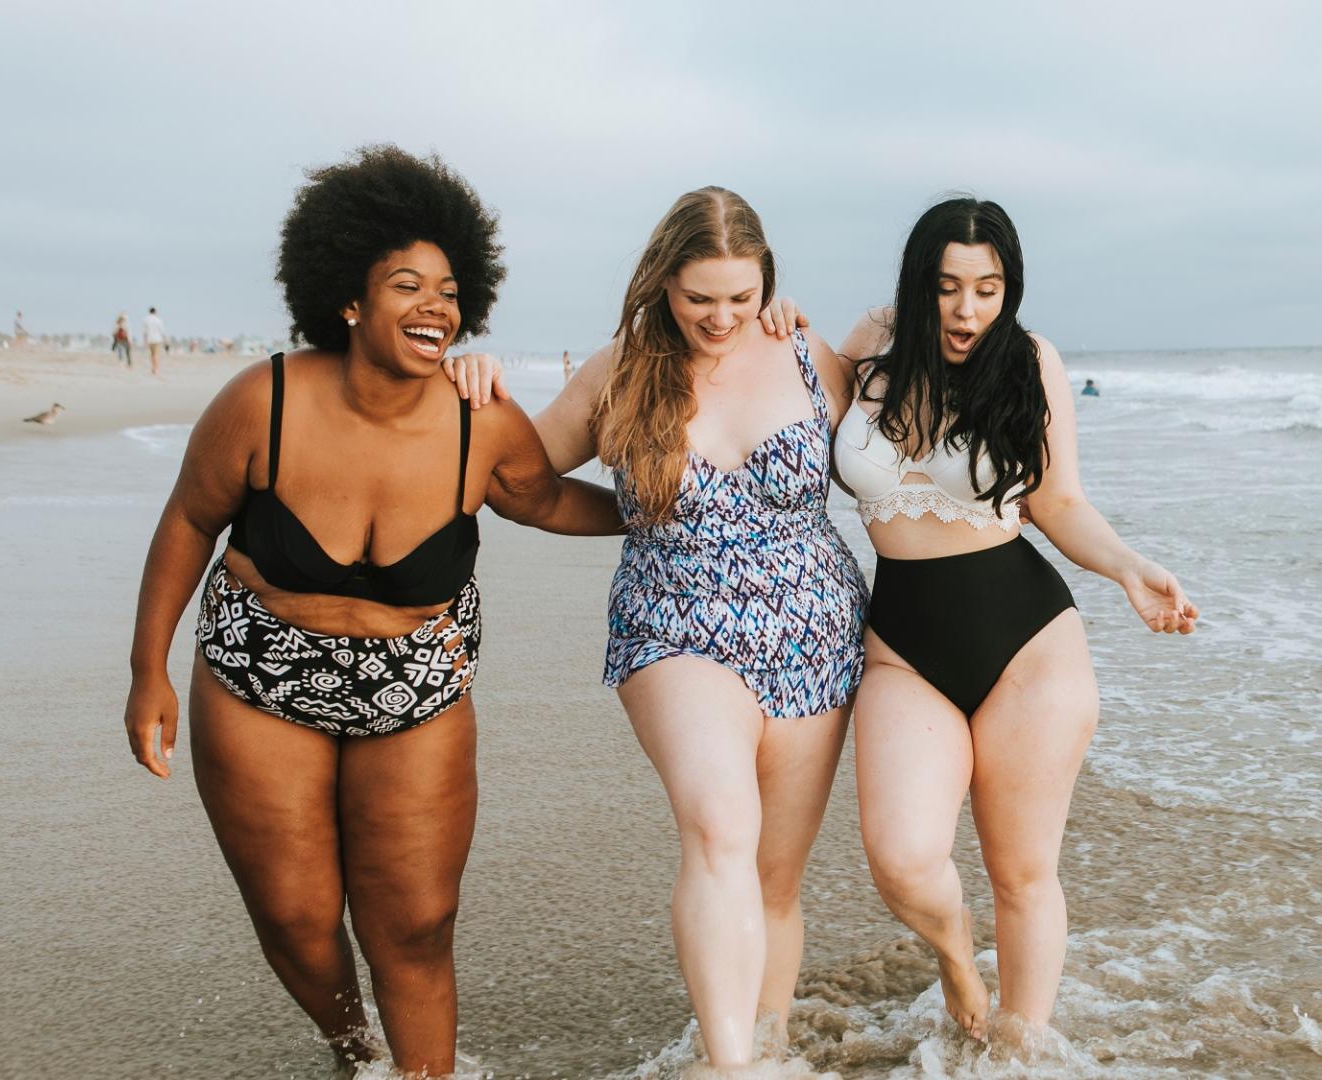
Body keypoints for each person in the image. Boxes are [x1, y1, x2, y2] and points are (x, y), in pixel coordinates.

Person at [122, 145, 623, 1077]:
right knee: (297, 919)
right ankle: (358, 1049)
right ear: (349, 300)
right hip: (258, 674)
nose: (436, 305)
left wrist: (660, 511)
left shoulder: (483, 425)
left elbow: (548, 500)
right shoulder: (262, 403)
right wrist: (147, 670)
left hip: (416, 686)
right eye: (406, 284)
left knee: (418, 923)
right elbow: (189, 523)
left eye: (448, 289)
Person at [492, 188, 868, 1069]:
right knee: (720, 828)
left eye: (742, 295)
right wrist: (638, 513)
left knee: (774, 878)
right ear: (663, 281)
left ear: (767, 281)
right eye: (702, 297)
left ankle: (765, 1043)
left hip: (818, 628)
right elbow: (518, 479)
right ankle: (726, 1063)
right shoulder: (620, 369)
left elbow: (897, 455)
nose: (723, 317)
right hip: (675, 624)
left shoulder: (804, 350)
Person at [835, 197, 1195, 1044]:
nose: (967, 311)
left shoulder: (1030, 361)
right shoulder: (869, 346)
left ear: (1010, 288)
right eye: (949, 287)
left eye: (988, 289)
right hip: (902, 650)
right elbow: (771, 384)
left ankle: (1020, 1048)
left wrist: (1127, 568)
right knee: (902, 856)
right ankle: (957, 956)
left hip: (1026, 643)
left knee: (1024, 872)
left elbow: (1059, 501)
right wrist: (775, 314)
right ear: (919, 282)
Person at [144, 306, 168, 374]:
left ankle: (153, 367)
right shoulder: (158, 320)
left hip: (150, 339)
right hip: (157, 339)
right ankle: (156, 368)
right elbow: (162, 331)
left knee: (152, 354)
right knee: (156, 354)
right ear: (155, 312)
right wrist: (165, 340)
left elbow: (145, 332)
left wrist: (145, 341)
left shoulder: (146, 320)